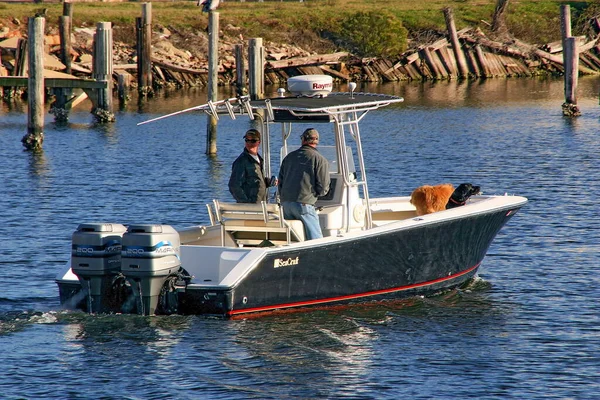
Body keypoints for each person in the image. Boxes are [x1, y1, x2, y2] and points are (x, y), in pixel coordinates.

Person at [278, 128, 330, 240]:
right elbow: (323, 188)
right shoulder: (320, 160)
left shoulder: (288, 157)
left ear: (303, 140)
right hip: (304, 205)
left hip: (286, 204)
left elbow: (280, 182)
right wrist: (316, 194)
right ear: (317, 141)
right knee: (316, 241)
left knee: (294, 238)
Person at [228, 129, 272, 203]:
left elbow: (254, 181)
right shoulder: (241, 161)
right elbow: (233, 186)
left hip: (261, 204)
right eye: (247, 140)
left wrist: (267, 182)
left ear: (259, 142)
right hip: (251, 208)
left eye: (253, 141)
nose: (249, 143)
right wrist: (246, 203)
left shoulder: (259, 159)